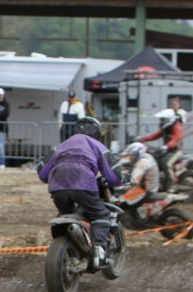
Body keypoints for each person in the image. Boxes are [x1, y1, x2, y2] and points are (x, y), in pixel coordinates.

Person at [38, 117, 123, 266]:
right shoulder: (98, 145)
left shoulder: (61, 146)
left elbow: (42, 173)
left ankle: (66, 249)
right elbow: (113, 176)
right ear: (97, 132)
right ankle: (100, 251)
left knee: (65, 215)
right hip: (84, 184)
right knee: (101, 214)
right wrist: (123, 178)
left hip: (58, 187)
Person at [136, 108, 183, 182]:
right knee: (155, 160)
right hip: (167, 150)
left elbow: (175, 139)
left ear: (168, 119)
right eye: (161, 119)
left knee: (166, 163)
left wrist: (167, 146)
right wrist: (142, 139)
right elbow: (155, 136)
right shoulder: (166, 128)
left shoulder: (176, 127)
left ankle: (172, 185)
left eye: (163, 119)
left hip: (175, 151)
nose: (161, 121)